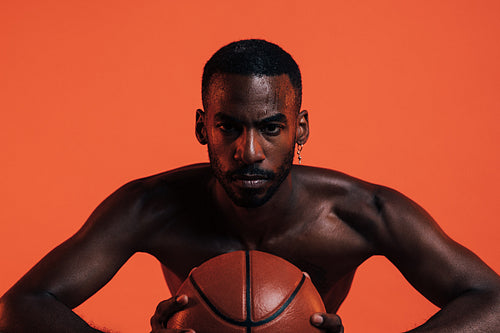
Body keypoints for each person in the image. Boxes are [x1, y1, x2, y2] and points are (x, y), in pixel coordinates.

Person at [1, 39, 499, 333]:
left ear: (300, 130)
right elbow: (19, 307)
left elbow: (491, 301)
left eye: (271, 128)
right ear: (203, 127)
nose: (250, 151)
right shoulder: (150, 208)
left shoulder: (362, 212)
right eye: (229, 126)